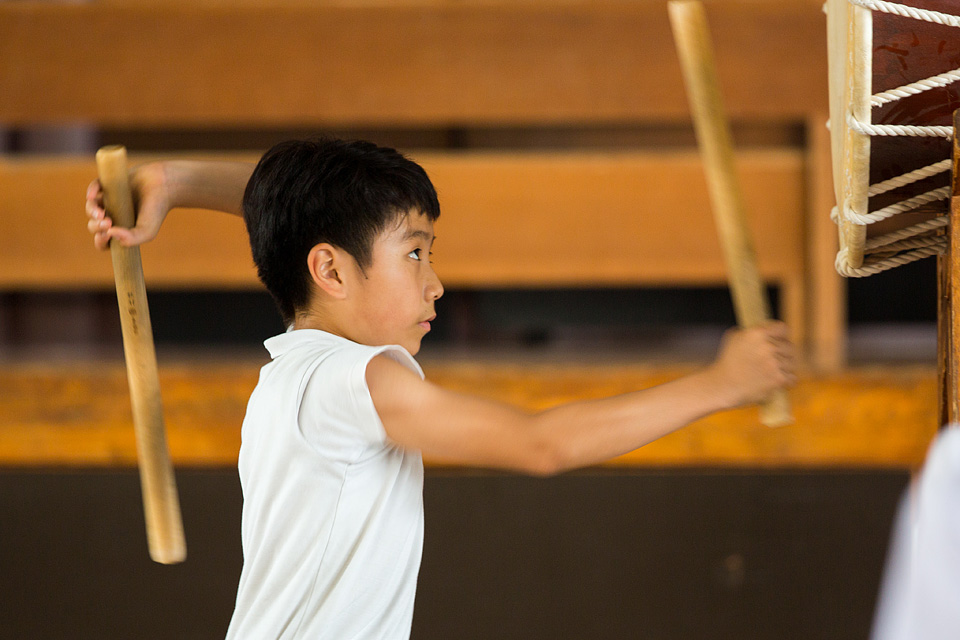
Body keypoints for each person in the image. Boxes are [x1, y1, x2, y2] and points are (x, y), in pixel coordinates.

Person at [85, 137, 796, 639]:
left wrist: (175, 182)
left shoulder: (297, 373)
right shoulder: (352, 379)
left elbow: (302, 215)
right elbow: (540, 444)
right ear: (330, 272)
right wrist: (720, 384)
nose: (436, 283)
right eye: (415, 253)